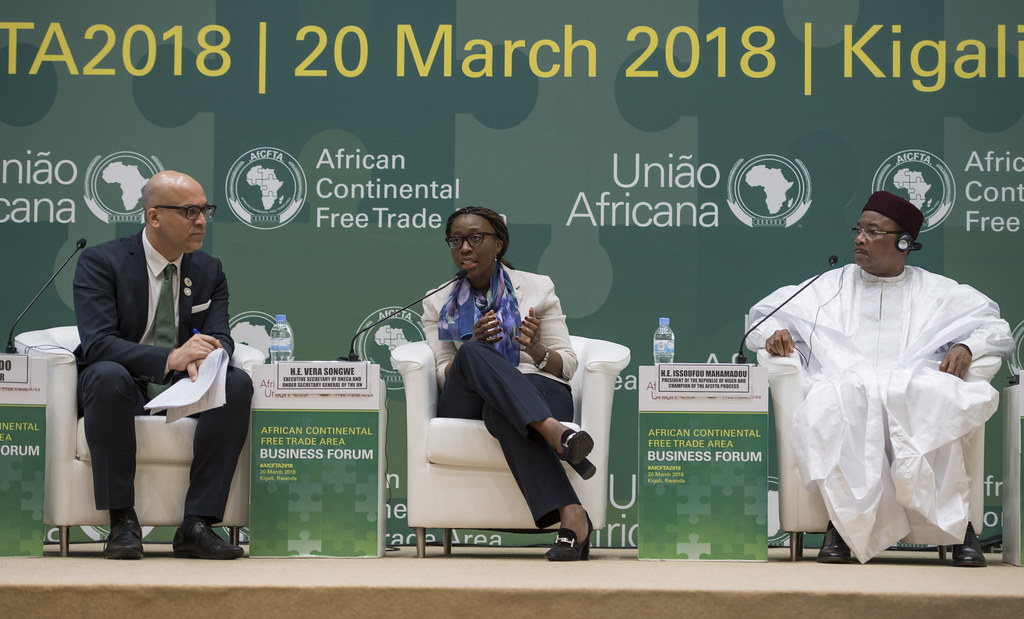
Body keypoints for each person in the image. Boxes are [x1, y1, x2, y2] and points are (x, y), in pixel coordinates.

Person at [748, 191, 1013, 566]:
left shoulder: (938, 292)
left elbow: (996, 330)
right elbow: (763, 317)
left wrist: (969, 346)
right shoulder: (829, 287)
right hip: (845, 385)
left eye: (873, 232)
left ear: (904, 243)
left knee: (929, 399)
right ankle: (840, 527)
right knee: (846, 397)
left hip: (911, 388)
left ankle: (958, 529)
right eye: (858, 230)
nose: (860, 239)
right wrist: (773, 333)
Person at [73, 170, 252, 560]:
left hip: (183, 385)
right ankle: (122, 521)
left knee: (236, 383)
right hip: (121, 386)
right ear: (154, 216)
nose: (201, 221)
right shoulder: (102, 262)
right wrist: (170, 357)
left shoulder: (208, 270)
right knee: (106, 375)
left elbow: (221, 335)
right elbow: (98, 343)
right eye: (189, 212)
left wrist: (206, 355)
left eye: (205, 210)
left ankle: (197, 525)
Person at [421, 206, 593, 561]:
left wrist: (537, 349)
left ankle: (572, 515)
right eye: (456, 240)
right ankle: (555, 432)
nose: (464, 247)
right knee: (471, 353)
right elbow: (440, 370)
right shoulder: (439, 301)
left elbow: (567, 365)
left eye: (475, 238)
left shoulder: (538, 288)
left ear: (498, 244)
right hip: (467, 397)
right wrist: (475, 349)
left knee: (500, 412)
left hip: (537, 386)